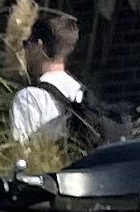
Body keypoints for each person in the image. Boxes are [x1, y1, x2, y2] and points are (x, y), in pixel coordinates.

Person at [7, 9, 92, 150]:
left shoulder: (29, 98)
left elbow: (21, 153)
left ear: (39, 46)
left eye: (27, 44)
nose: (25, 51)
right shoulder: (82, 93)